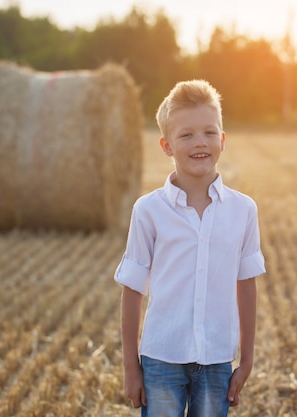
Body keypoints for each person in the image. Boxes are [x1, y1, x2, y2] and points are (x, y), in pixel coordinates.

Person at [114, 79, 266, 417]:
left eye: (210, 133)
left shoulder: (244, 210)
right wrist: (130, 366)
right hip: (160, 359)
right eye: (186, 135)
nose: (200, 143)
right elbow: (133, 289)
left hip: (216, 362)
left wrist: (248, 359)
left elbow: (247, 285)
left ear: (223, 140)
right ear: (167, 146)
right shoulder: (148, 210)